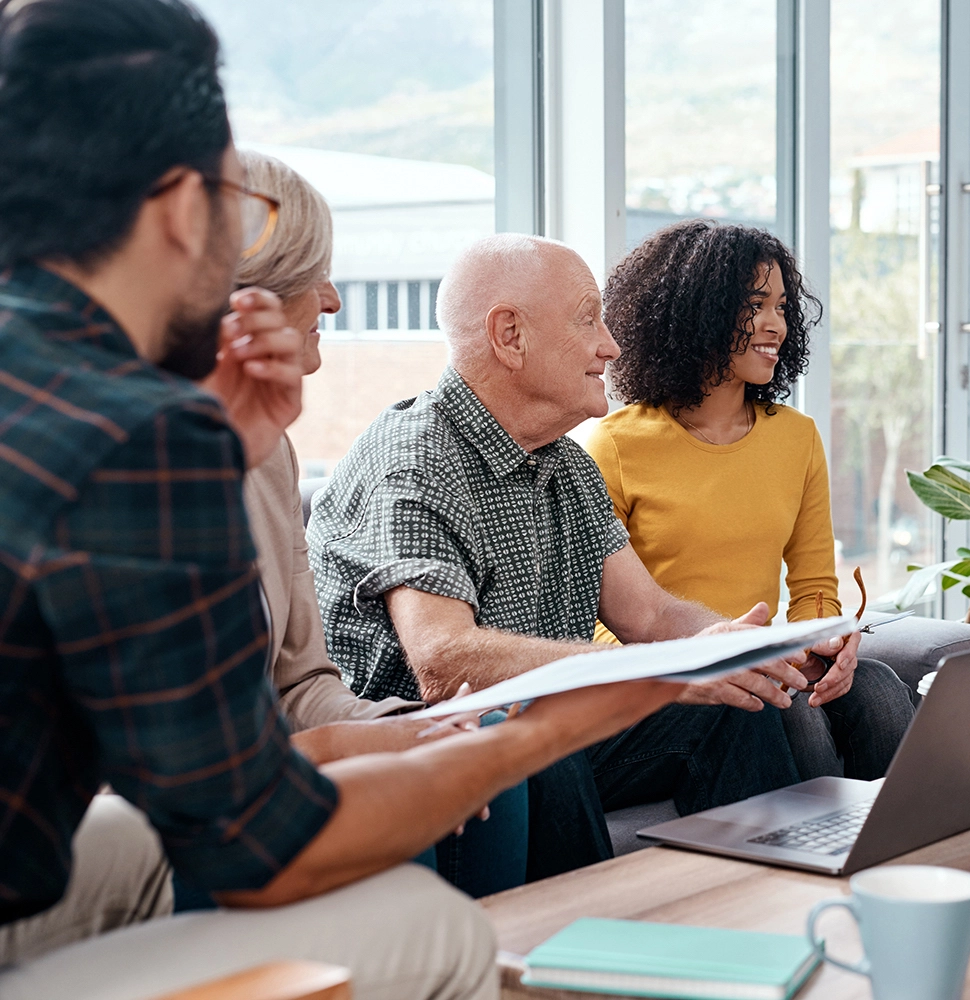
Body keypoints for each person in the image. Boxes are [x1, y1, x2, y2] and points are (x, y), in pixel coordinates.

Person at [0, 2, 684, 996]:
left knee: (140, 845)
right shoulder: (137, 427)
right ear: (185, 211)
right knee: (437, 927)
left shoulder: (55, 376)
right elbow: (261, 841)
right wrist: (552, 720)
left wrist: (224, 454)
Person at [307, 233, 809, 881]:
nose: (611, 344)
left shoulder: (566, 464)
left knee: (736, 704)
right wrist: (652, 674)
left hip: (525, 732)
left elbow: (651, 616)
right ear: (510, 335)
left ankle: (770, 913)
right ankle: (585, 964)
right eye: (587, 319)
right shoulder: (415, 458)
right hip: (428, 754)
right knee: (545, 731)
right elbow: (443, 660)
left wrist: (732, 649)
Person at [211, 149, 526, 900]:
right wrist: (366, 744)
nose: (333, 299)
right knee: (392, 805)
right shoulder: (120, 458)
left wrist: (412, 728)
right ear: (246, 300)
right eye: (313, 275)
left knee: (486, 758)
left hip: (267, 760)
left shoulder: (270, 455)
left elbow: (302, 682)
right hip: (172, 801)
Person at [586, 219, 915, 780]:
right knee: (783, 709)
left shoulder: (797, 438)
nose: (775, 324)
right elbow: (606, 619)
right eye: (754, 304)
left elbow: (813, 588)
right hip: (678, 674)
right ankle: (806, 862)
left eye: (783, 306)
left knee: (878, 688)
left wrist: (828, 643)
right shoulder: (615, 445)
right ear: (697, 311)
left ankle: (920, 855)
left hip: (770, 660)